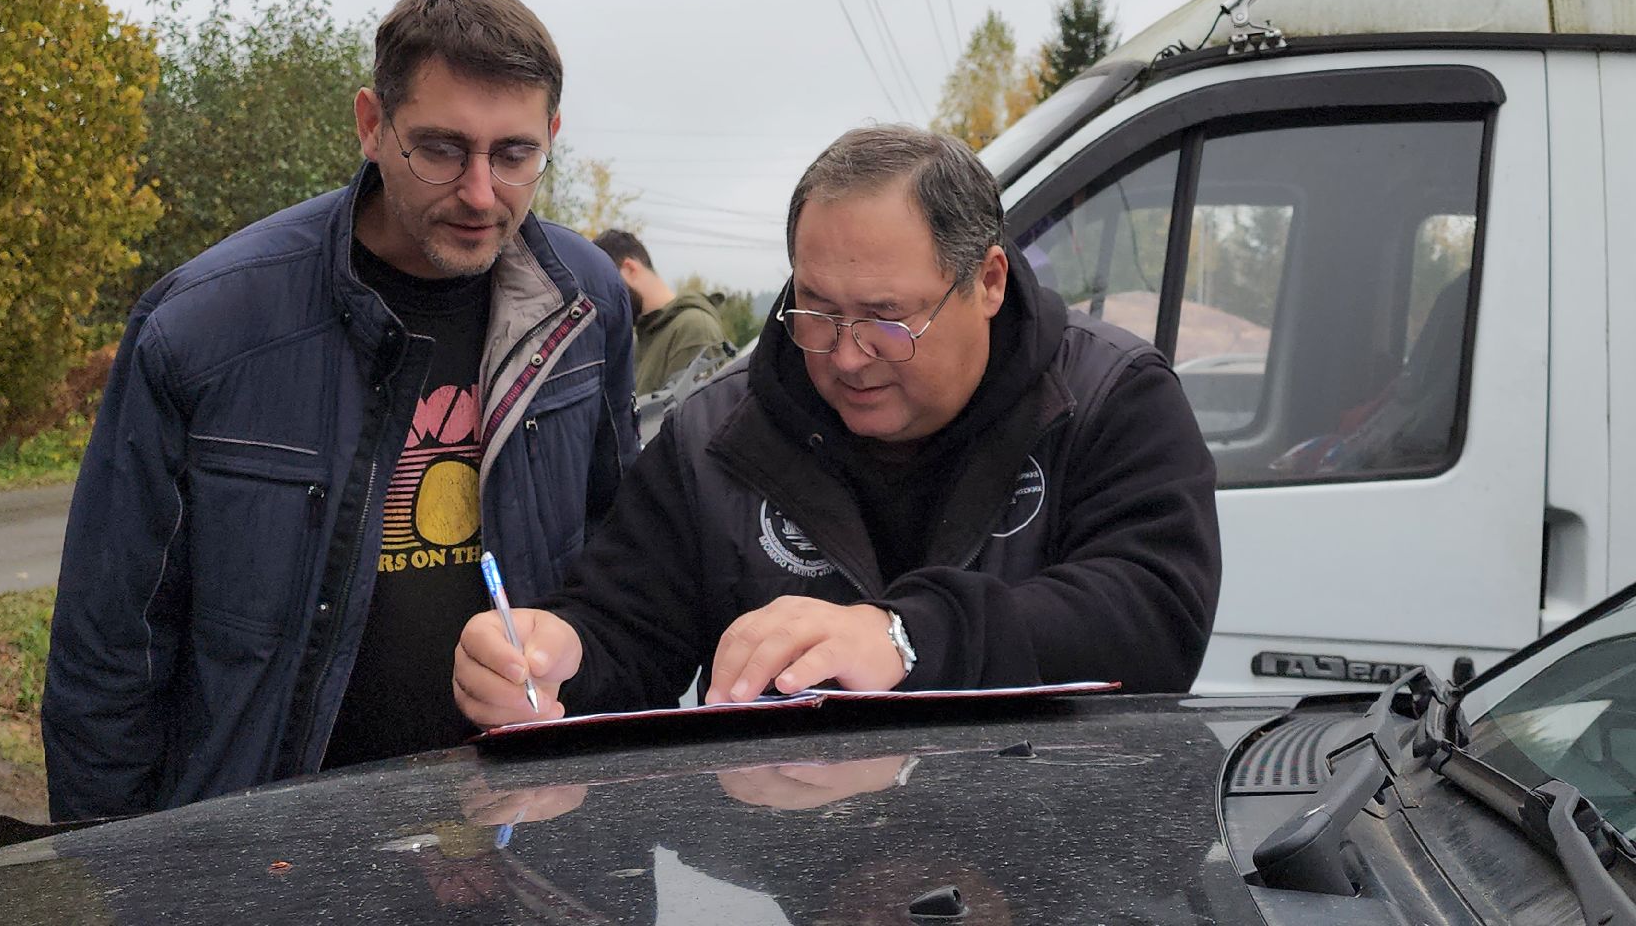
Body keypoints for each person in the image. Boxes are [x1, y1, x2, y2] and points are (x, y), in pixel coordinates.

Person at [42, 0, 638, 822]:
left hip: (520, 836)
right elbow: (111, 648)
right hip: (270, 850)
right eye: (440, 149)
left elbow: (622, 565)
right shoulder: (206, 328)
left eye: (514, 154)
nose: (479, 192)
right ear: (370, 124)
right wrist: (105, 873)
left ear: (552, 138)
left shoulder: (586, 302)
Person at [452, 124, 1219, 729]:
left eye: (887, 320)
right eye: (816, 311)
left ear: (986, 281)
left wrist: (905, 637)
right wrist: (557, 660)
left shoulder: (1109, 398)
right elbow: (627, 628)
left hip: (1052, 868)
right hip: (801, 872)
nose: (847, 357)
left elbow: (1153, 616)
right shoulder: (718, 439)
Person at [593, 228, 731, 395]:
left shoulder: (694, 329)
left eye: (603, 288)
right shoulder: (639, 341)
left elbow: (700, 417)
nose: (601, 301)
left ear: (630, 270)